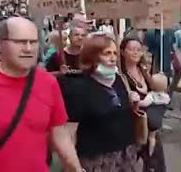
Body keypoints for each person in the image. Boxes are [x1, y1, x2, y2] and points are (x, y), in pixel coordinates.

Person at [0, 17, 82, 172]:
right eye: (20, 42)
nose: (29, 49)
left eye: (33, 42)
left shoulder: (48, 83)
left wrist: (76, 168)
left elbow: (59, 134)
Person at [61, 33, 144, 171]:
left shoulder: (120, 80)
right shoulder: (78, 88)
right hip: (96, 160)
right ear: (93, 56)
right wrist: (72, 165)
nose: (113, 58)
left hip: (126, 156)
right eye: (107, 53)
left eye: (115, 53)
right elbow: (70, 134)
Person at [120, 35, 167, 172]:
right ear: (123, 52)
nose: (135, 52)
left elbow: (157, 93)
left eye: (138, 49)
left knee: (154, 164)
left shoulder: (144, 71)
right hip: (132, 128)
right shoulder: (120, 75)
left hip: (151, 128)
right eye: (131, 49)